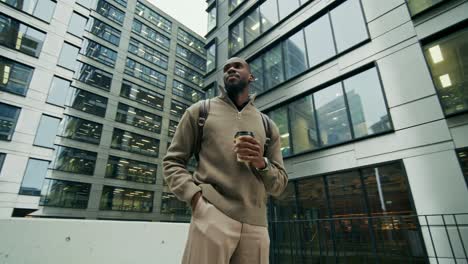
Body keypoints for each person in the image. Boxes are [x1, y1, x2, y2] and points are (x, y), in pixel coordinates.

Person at [163, 57, 288, 264]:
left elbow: (280, 184)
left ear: (251, 76)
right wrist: (196, 199)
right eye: (226, 68)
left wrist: (261, 162)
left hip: (256, 226)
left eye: (238, 66)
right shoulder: (200, 111)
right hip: (212, 215)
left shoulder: (267, 125)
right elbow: (172, 162)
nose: (231, 69)